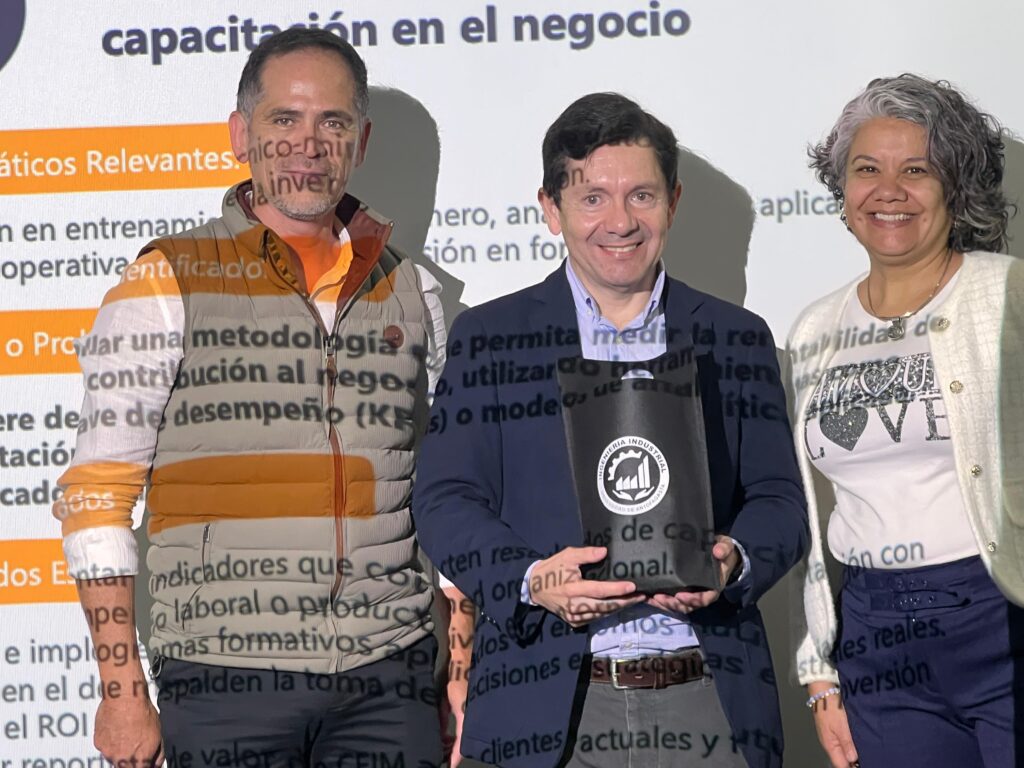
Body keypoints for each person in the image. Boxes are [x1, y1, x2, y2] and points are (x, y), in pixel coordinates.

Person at [54, 28, 451, 768]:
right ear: (241, 135)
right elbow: (98, 497)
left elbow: (445, 490)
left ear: (360, 143)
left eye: (332, 122)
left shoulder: (412, 289)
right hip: (224, 676)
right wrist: (121, 689)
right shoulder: (166, 282)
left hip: (389, 676)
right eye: (284, 119)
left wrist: (458, 668)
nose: (309, 145)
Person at [413, 92, 808, 768]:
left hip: (709, 699)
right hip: (544, 708)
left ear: (673, 202)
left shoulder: (737, 338)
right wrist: (530, 579)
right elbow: (443, 501)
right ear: (551, 208)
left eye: (641, 196)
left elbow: (781, 501)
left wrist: (733, 560)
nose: (620, 221)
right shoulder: (488, 339)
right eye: (592, 197)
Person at [787, 73, 1024, 768]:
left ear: (955, 185)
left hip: (999, 612)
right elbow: (813, 515)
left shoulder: (1006, 293)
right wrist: (819, 670)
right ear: (842, 188)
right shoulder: (815, 328)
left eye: (915, 170)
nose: (888, 191)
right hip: (875, 632)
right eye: (867, 170)